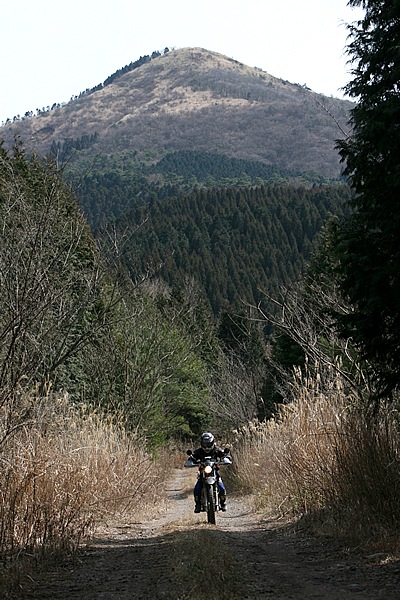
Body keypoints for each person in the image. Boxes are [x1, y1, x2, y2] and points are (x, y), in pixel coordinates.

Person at [186, 432, 231, 513]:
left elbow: (224, 455)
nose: (207, 446)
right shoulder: (199, 452)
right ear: (201, 443)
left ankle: (223, 503)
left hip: (214, 474)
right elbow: (192, 457)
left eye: (208, 444)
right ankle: (198, 504)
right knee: (197, 489)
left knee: (221, 487)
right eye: (205, 444)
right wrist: (190, 460)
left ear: (213, 442)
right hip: (202, 474)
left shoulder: (216, 450)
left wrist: (225, 458)